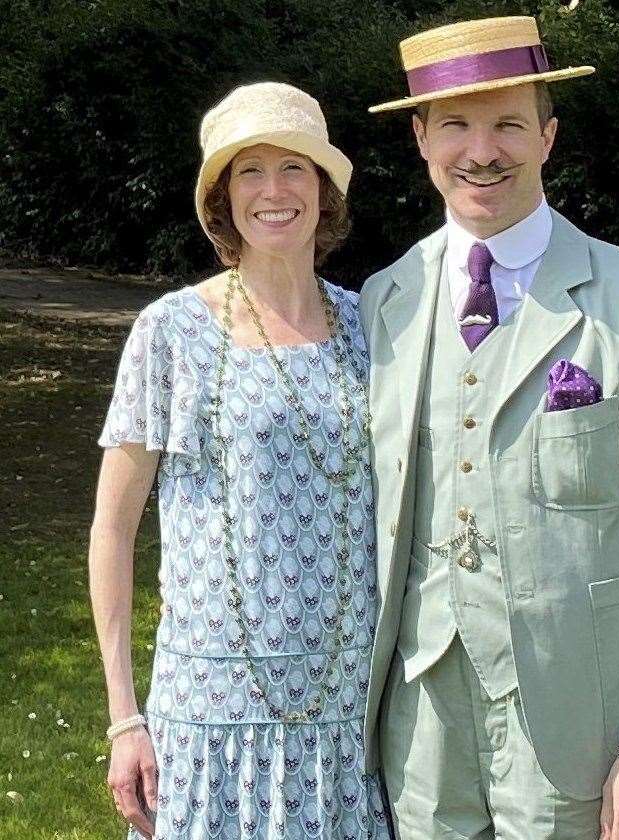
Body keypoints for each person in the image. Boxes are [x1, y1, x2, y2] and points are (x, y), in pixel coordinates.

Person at [359, 16, 619, 840]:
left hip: (578, 729)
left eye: (509, 124)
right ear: (420, 138)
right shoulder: (387, 299)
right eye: (455, 123)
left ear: (549, 137)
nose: (481, 150)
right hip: (420, 728)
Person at [89, 81, 391, 840]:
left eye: (294, 168)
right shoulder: (171, 334)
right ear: (223, 199)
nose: (274, 191)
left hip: (351, 717)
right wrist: (125, 718)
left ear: (324, 191)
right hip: (210, 723)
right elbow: (112, 531)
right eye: (249, 172)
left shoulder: (375, 325)